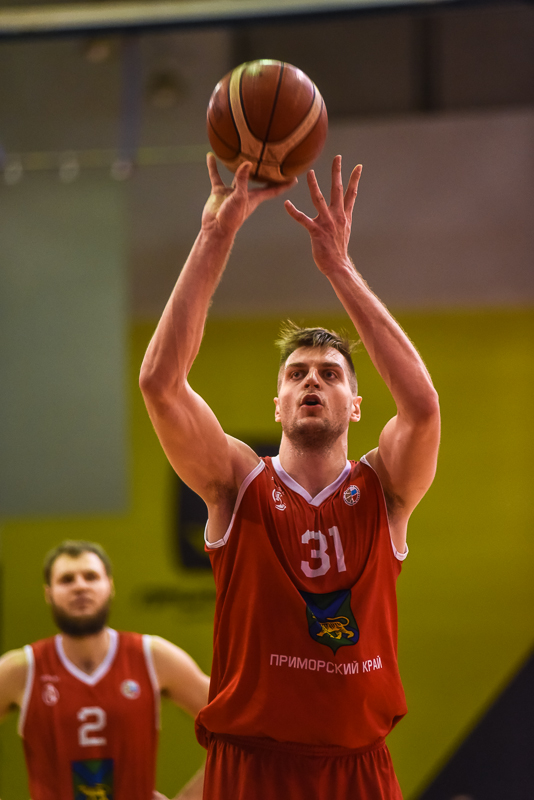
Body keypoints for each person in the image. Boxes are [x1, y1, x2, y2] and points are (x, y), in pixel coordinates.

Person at [139, 154, 441, 799]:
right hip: (252, 764)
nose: (312, 381)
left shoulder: (384, 488)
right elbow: (160, 384)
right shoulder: (236, 482)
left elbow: (422, 407)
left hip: (357, 767)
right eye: (297, 374)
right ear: (277, 404)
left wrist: (339, 268)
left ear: (355, 406)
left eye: (330, 375)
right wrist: (216, 233)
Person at [0, 540, 209, 800]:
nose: (80, 586)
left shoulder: (153, 656)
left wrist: (190, 797)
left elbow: (231, 725)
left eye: (90, 576)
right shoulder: (21, 669)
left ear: (109, 586)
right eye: (67, 579)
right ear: (48, 593)